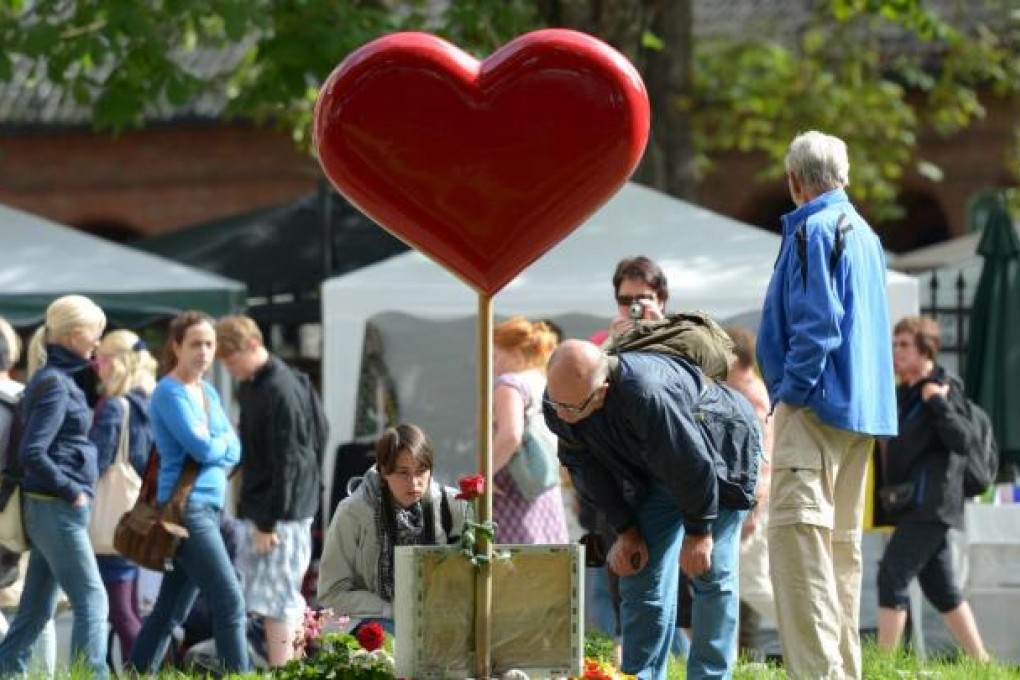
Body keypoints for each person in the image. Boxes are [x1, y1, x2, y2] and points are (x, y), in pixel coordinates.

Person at [757, 130, 897, 680]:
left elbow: (819, 325)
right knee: (838, 559)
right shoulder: (865, 233)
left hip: (815, 409)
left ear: (795, 181)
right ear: (842, 176)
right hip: (859, 414)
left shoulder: (815, 229)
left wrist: (791, 390)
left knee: (800, 559)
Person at [544, 339, 760, 680]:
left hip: (720, 457)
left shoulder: (647, 394)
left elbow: (694, 465)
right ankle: (639, 675)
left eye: (571, 408)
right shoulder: (560, 401)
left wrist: (700, 532)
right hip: (656, 472)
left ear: (601, 391)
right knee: (638, 571)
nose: (561, 415)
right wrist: (626, 531)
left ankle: (710, 675)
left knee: (711, 574)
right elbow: (586, 470)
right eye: (555, 403)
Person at [129, 311, 248, 674]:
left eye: (210, 344)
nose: (204, 352)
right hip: (187, 510)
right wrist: (220, 443)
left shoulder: (208, 392)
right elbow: (202, 449)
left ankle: (135, 672)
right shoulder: (168, 391)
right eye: (196, 343)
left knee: (170, 610)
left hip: (209, 508)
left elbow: (235, 448)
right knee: (230, 601)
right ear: (176, 346)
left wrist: (220, 443)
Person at [0, 295, 109, 678]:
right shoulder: (56, 384)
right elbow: (34, 451)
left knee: (35, 610)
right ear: (76, 333)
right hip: (56, 507)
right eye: (96, 333)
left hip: (50, 507)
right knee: (93, 601)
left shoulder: (52, 379)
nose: (98, 341)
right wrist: (71, 490)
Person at [876, 316, 988, 661]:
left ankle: (882, 665)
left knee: (891, 576)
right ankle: (983, 663)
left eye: (904, 345)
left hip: (932, 502)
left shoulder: (942, 385)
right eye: (894, 344)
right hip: (912, 502)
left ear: (926, 348)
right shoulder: (903, 392)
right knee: (941, 589)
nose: (896, 352)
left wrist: (937, 402)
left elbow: (964, 439)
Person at [215, 315, 323, 667]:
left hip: (280, 515)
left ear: (250, 345)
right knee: (278, 600)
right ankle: (288, 669)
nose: (229, 370)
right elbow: (322, 432)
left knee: (279, 602)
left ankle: (285, 671)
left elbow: (289, 461)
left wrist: (268, 520)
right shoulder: (266, 383)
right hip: (280, 507)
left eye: (231, 361)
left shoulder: (279, 388)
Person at [317, 423, 471, 633]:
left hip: (438, 621)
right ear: (383, 471)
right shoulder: (353, 512)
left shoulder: (452, 505)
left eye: (421, 471)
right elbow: (332, 592)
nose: (414, 482)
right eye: (403, 472)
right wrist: (391, 609)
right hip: (376, 621)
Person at [89, 329, 158, 663]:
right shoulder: (150, 401)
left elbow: (96, 463)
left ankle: (144, 670)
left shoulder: (116, 407)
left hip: (110, 519)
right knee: (128, 607)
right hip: (137, 513)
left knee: (118, 612)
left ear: (117, 362)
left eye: (100, 359)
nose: (96, 366)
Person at [492, 316, 568, 544]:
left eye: (496, 356)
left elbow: (511, 434)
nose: (493, 365)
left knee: (512, 568)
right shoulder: (542, 381)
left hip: (513, 491)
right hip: (544, 485)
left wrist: (484, 474)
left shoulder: (509, 384)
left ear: (515, 354)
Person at [724, 326, 776, 659]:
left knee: (753, 583)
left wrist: (754, 508)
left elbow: (760, 458)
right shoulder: (747, 388)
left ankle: (810, 638)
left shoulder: (749, 393)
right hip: (748, 501)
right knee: (736, 584)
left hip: (752, 502)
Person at [589, 256, 669, 347]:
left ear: (660, 301)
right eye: (625, 300)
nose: (634, 306)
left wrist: (662, 331)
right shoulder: (601, 341)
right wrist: (612, 343)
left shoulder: (682, 335)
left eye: (643, 299)